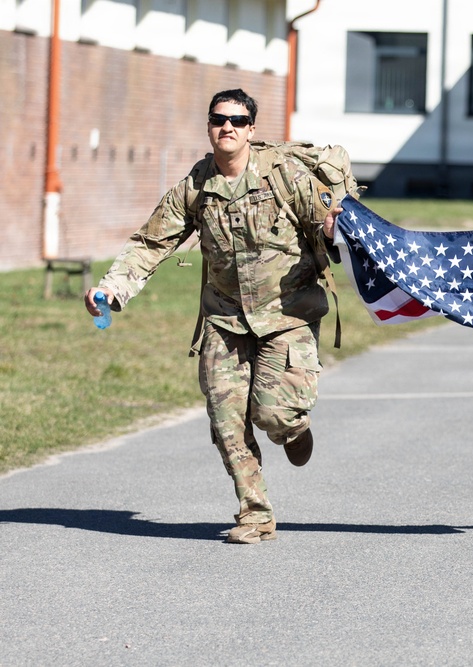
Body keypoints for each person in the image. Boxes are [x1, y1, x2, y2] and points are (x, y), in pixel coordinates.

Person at [84, 89, 353, 544]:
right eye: (218, 119)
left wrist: (332, 229)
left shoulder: (285, 176)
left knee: (273, 415)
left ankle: (293, 429)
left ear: (251, 129)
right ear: (209, 127)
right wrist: (111, 289)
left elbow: (331, 229)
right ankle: (255, 514)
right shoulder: (195, 188)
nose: (227, 126)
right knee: (226, 418)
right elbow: (150, 244)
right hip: (225, 318)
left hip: (287, 315)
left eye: (237, 120)